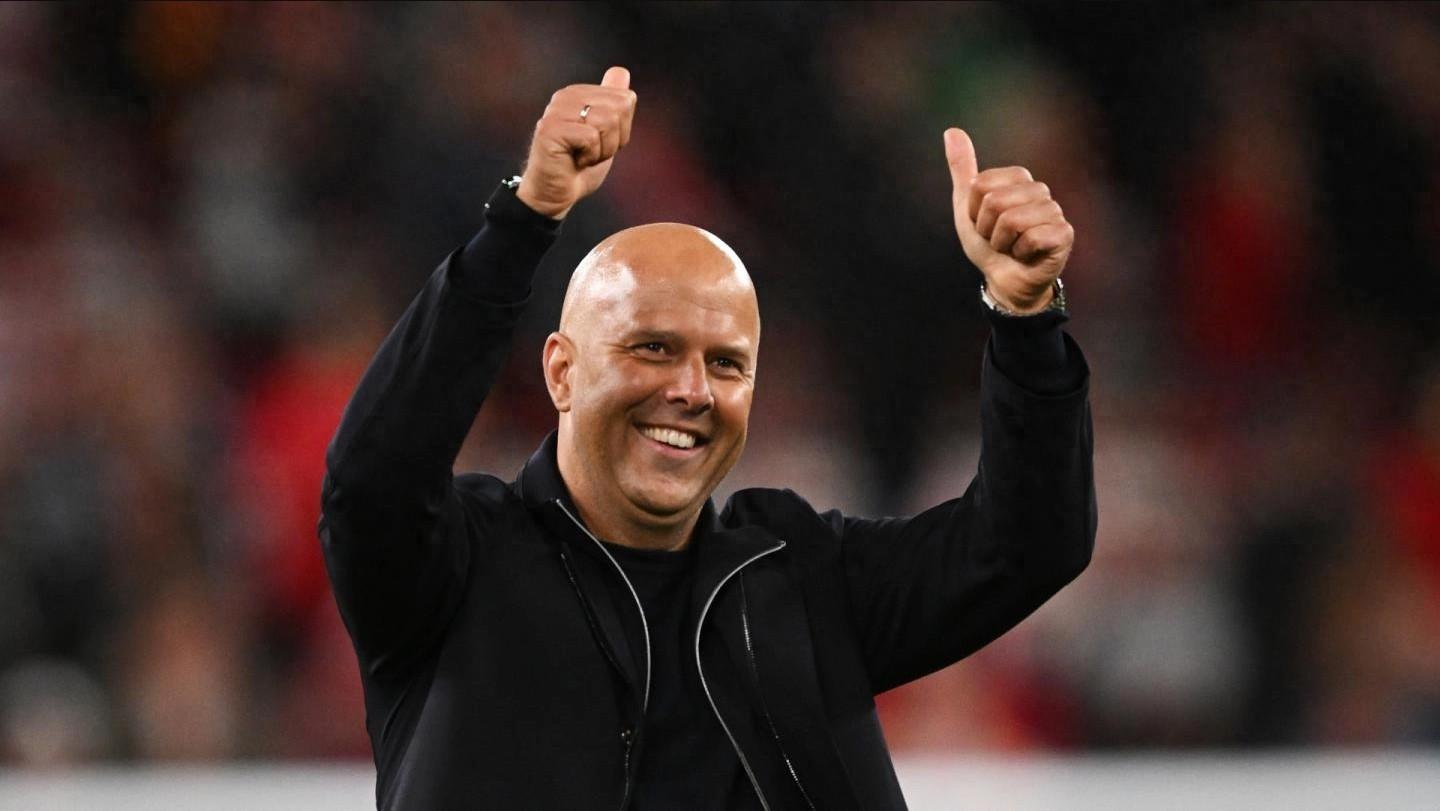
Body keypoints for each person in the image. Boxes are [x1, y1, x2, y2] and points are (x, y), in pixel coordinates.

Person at [319, 66, 1095, 810]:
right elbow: (372, 481)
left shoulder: (802, 580)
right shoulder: (453, 568)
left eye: (726, 364)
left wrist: (1027, 321)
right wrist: (523, 221)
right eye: (653, 347)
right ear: (561, 371)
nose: (691, 390)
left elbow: (1027, 546)